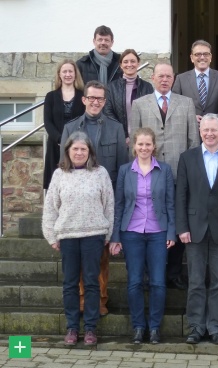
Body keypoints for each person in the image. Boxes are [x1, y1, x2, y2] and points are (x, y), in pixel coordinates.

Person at [60, 80, 128, 316]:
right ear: (84, 100)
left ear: (105, 102)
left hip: (103, 202)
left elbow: (121, 169)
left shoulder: (116, 128)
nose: (96, 102)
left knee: (101, 256)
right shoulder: (70, 128)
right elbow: (63, 168)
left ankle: (100, 299)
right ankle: (80, 299)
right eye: (92, 98)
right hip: (75, 203)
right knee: (77, 258)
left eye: (100, 99)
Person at [130, 62, 200, 290]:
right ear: (152, 77)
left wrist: (191, 173)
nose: (164, 80)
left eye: (168, 76)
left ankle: (174, 272)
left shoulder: (186, 103)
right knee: (153, 223)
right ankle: (152, 273)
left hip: (180, 173)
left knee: (178, 222)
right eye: (160, 76)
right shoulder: (139, 105)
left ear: (173, 78)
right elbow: (134, 140)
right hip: (151, 175)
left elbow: (193, 142)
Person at [42, 131, 114, 346]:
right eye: (75, 149)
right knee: (70, 284)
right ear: (68, 151)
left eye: (84, 149)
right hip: (68, 236)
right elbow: (50, 208)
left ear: (90, 151)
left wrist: (107, 233)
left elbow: (109, 205)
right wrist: (51, 235)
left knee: (92, 283)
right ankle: (72, 328)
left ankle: (91, 329)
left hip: (93, 235)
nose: (80, 152)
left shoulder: (100, 173)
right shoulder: (59, 175)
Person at [176, 113, 218, 345]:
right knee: (195, 280)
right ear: (200, 132)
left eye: (214, 130)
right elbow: (181, 195)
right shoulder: (187, 158)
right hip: (194, 230)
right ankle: (195, 326)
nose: (210, 134)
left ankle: (215, 327)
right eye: (206, 130)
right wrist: (181, 227)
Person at [109, 128, 175, 345]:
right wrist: (116, 236)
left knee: (157, 282)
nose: (144, 148)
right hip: (132, 233)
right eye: (140, 144)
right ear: (134, 146)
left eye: (148, 144)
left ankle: (154, 328)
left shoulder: (164, 170)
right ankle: (138, 327)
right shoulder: (125, 170)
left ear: (154, 146)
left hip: (158, 233)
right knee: (134, 282)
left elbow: (170, 203)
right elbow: (119, 205)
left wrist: (171, 231)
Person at [43, 59, 85, 190]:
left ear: (75, 74)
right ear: (59, 74)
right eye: (64, 71)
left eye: (70, 71)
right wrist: (60, 139)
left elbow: (85, 119)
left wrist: (74, 141)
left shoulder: (83, 96)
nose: (68, 74)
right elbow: (47, 121)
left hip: (78, 145)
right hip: (55, 145)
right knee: (56, 184)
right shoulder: (51, 96)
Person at [172, 40, 218, 123]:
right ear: (192, 58)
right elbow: (174, 107)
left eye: (206, 54)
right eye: (198, 54)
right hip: (190, 130)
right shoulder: (181, 79)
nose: (202, 57)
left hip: (214, 131)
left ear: (211, 57)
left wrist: (214, 119)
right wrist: (190, 117)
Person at [104, 49, 154, 145]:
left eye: (133, 61)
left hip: (142, 140)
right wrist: (123, 135)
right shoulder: (111, 87)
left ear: (138, 63)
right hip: (119, 138)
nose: (129, 64)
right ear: (121, 65)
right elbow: (108, 112)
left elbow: (151, 113)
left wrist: (140, 136)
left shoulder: (147, 87)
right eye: (125, 62)